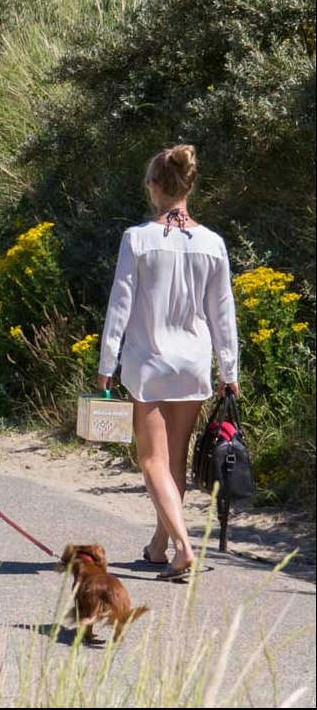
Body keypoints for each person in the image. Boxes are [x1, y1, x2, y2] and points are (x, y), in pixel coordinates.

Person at [96, 144, 239, 582]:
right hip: (193, 362)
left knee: (152, 460)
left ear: (155, 186)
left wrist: (107, 362)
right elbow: (223, 313)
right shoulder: (212, 243)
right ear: (189, 186)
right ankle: (159, 545)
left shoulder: (137, 239)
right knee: (174, 460)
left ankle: (182, 548)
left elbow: (120, 305)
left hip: (149, 361)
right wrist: (229, 371)